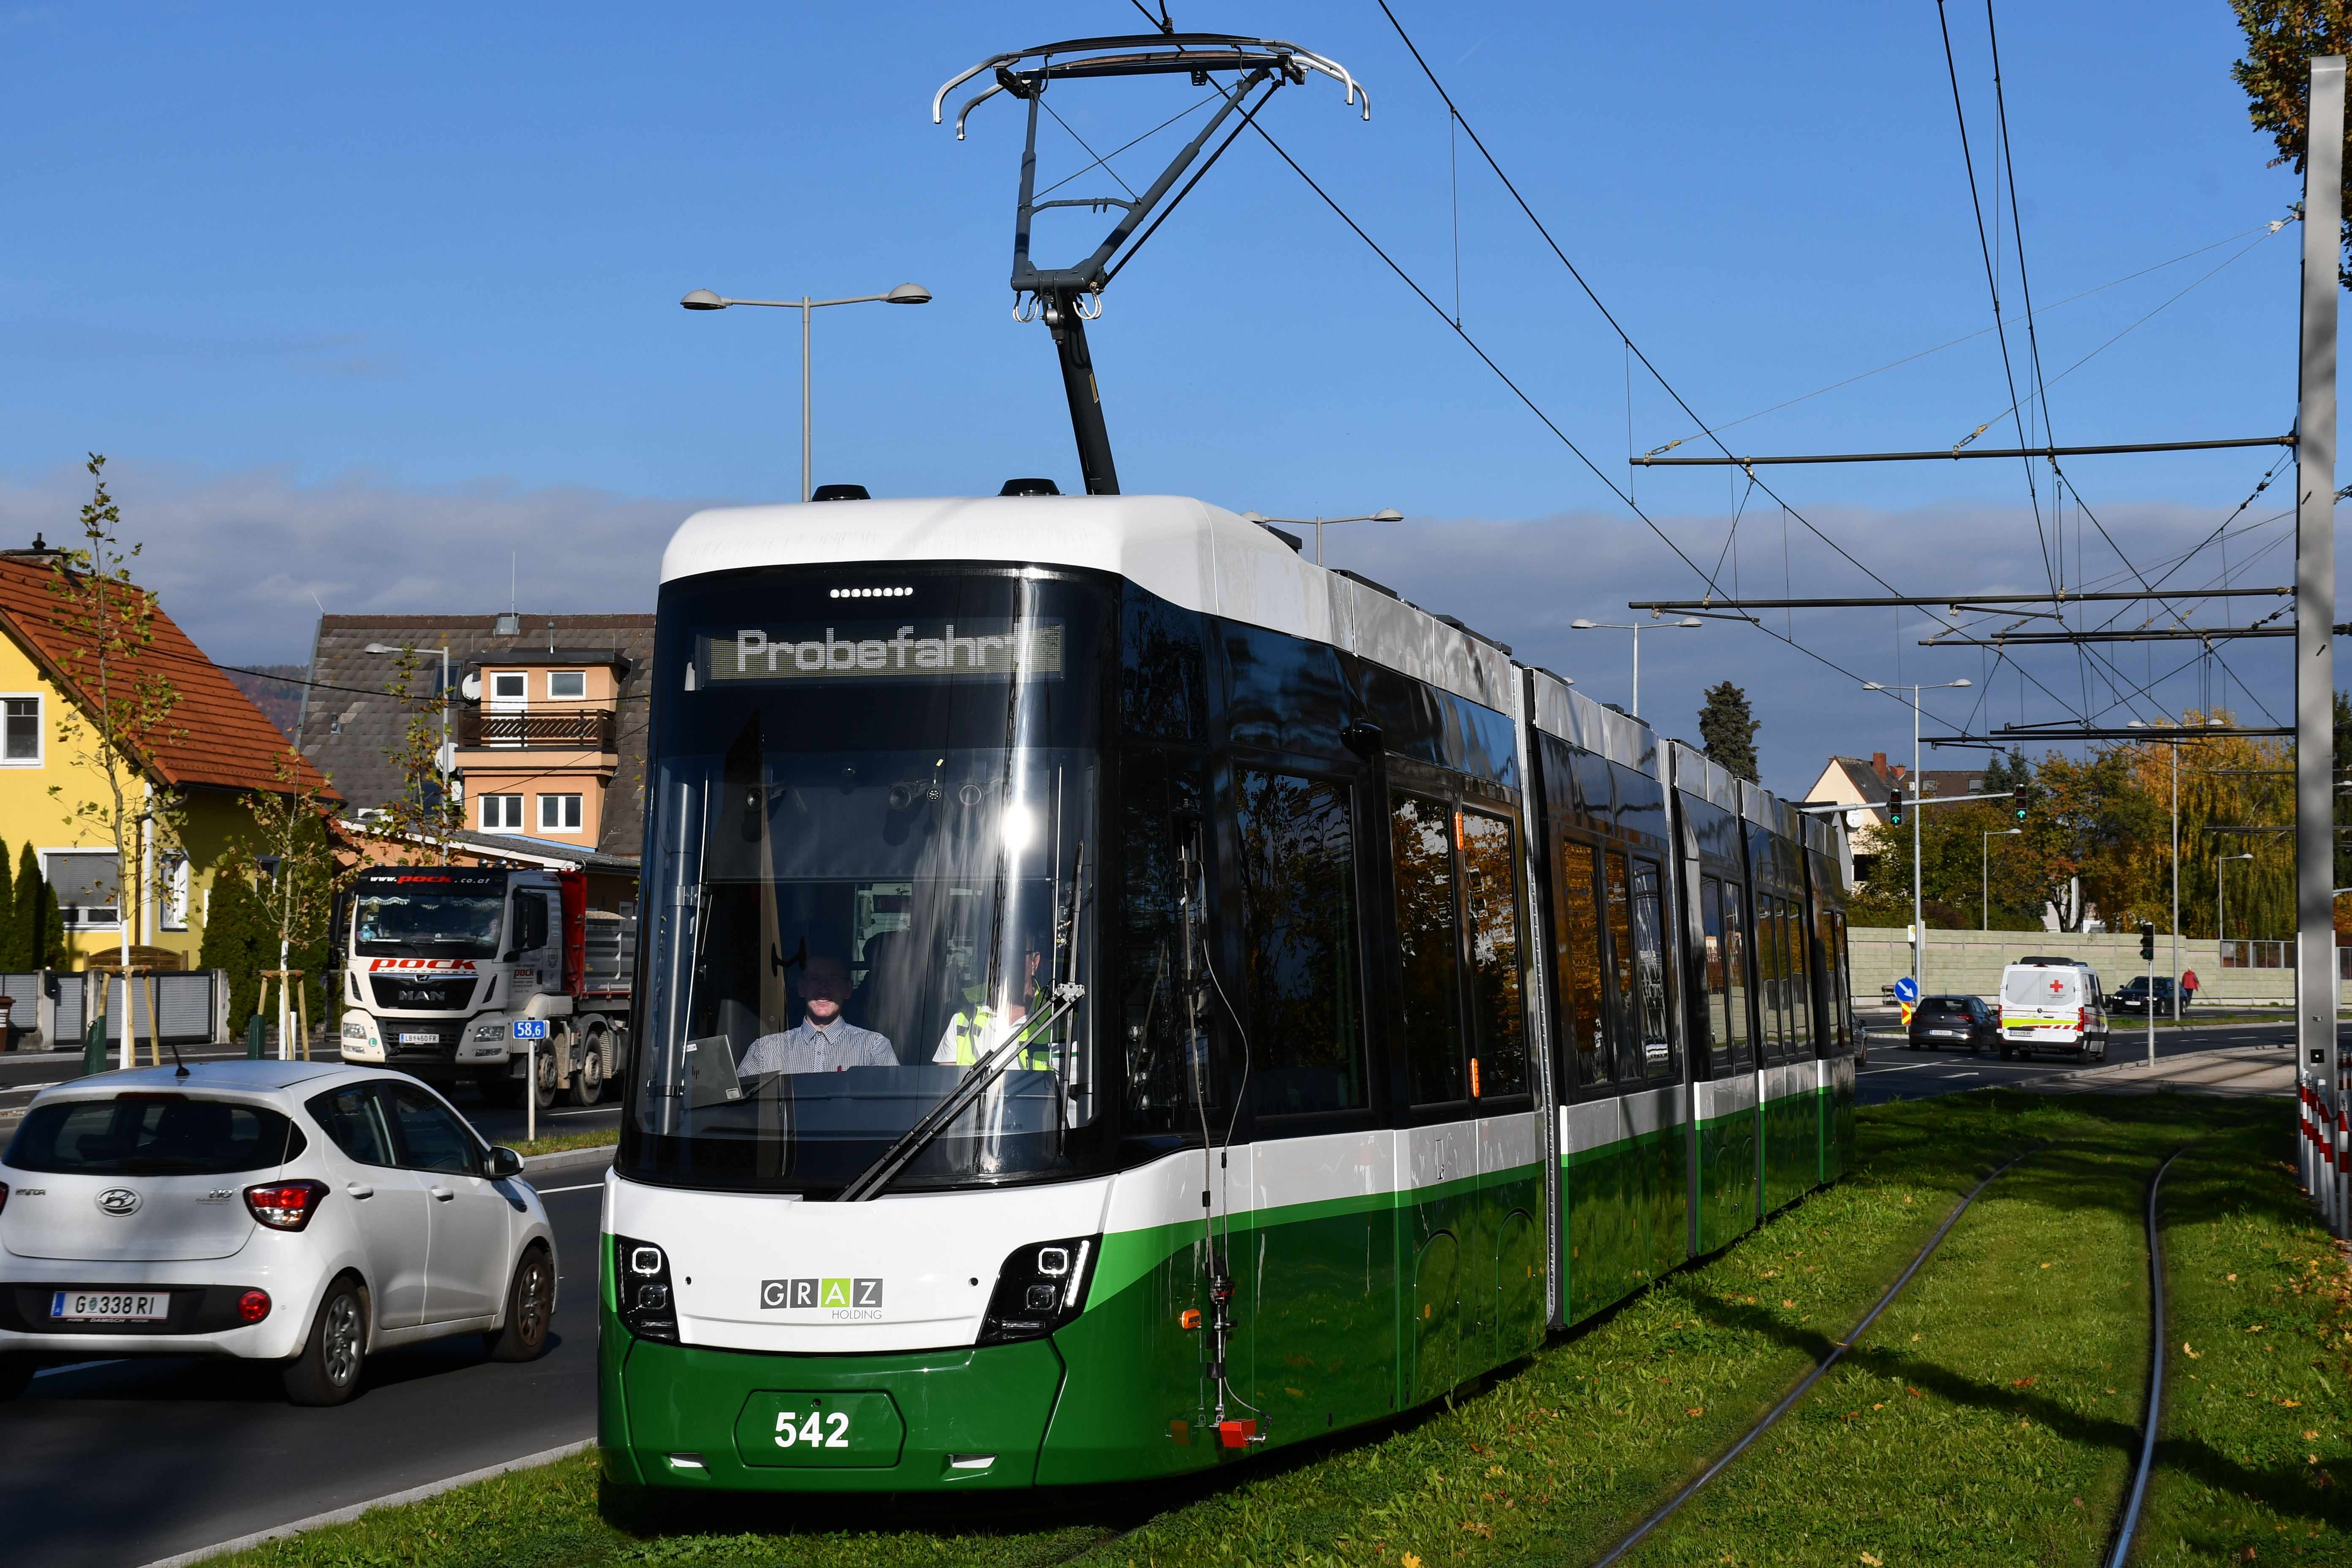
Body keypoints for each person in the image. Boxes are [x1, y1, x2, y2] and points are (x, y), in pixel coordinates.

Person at [739, 951, 895, 1075]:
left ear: (848, 989)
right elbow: (739, 1110)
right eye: (815, 979)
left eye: (833, 980)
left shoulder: (874, 1048)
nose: (823, 988)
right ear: (801, 987)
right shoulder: (765, 1051)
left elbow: (893, 1108)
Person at [932, 933, 1056, 1070]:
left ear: (1034, 962)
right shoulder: (963, 1020)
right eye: (998, 955)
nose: (1004, 963)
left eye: (1015, 955)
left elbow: (1069, 1086)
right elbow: (945, 1086)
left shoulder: (1059, 1022)